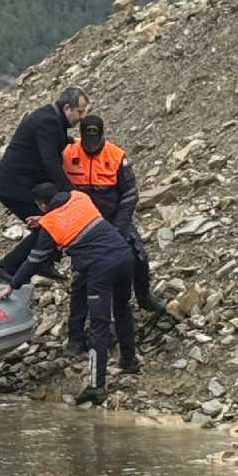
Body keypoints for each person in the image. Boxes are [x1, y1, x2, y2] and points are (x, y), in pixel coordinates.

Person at [0, 184, 138, 405]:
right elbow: (70, 215)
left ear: (42, 205)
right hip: (124, 256)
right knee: (122, 308)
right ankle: (129, 361)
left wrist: (12, 285)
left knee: (99, 324)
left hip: (100, 268)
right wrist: (43, 220)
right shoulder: (80, 197)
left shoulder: (50, 225)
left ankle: (97, 387)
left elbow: (34, 260)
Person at [61, 116, 162, 354]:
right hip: (83, 224)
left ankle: (144, 297)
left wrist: (118, 227)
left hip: (114, 217)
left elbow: (130, 194)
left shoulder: (116, 156)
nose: (91, 145)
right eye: (87, 140)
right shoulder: (68, 154)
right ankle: (75, 336)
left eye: (95, 140)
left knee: (138, 256)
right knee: (81, 277)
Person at [0, 87, 90, 281]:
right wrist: (71, 194)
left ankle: (43, 262)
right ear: (67, 108)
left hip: (23, 183)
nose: (82, 117)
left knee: (51, 221)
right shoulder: (47, 121)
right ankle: (5, 267)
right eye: (80, 111)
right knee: (49, 224)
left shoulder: (53, 119)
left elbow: (51, 140)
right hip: (13, 185)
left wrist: (72, 141)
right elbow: (49, 160)